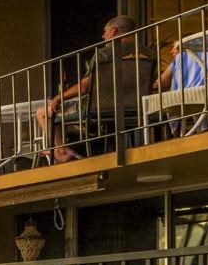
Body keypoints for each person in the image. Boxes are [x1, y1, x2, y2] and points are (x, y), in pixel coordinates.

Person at [38, 15, 155, 163]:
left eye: (105, 32)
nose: (103, 36)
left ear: (114, 31)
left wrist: (58, 98)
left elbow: (84, 87)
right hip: (138, 107)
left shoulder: (104, 54)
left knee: (43, 113)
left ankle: (61, 153)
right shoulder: (148, 54)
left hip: (102, 108)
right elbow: (152, 83)